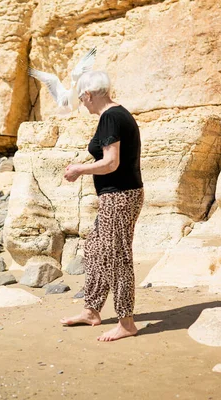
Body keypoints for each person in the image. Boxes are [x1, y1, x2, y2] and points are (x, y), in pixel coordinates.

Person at [60, 71, 144, 342]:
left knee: (117, 257)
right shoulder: (117, 115)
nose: (83, 104)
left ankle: (126, 322)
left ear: (89, 95)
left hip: (119, 196)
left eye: (82, 99)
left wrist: (78, 170)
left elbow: (111, 163)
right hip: (119, 195)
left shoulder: (110, 117)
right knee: (95, 249)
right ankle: (92, 310)